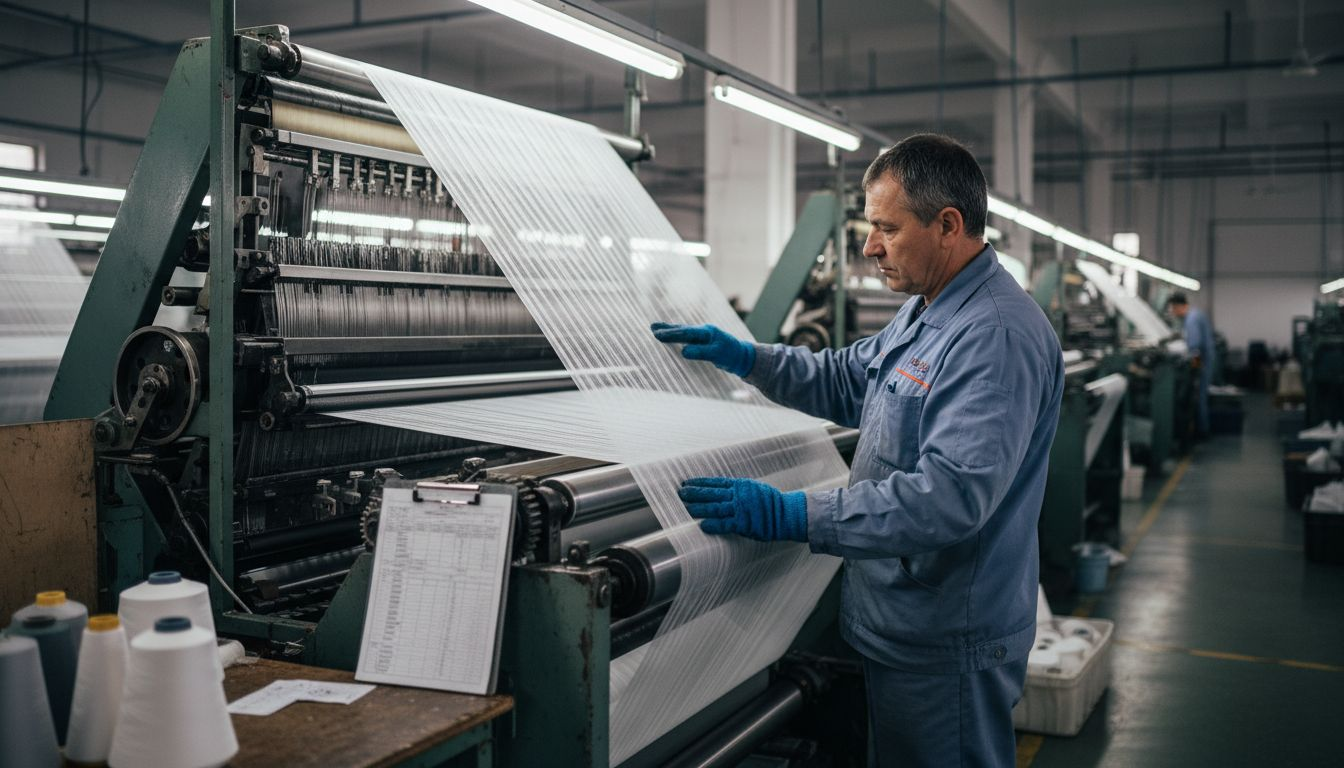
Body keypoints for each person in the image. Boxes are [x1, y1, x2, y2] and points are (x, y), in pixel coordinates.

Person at [653, 134, 1064, 768]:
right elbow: (853, 379)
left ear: (948, 225)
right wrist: (748, 357)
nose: (870, 247)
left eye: (885, 229)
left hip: (946, 634)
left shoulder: (995, 335)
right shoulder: (931, 307)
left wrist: (794, 515)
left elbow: (950, 499)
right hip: (905, 619)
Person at [1167, 293, 1214, 436]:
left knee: (1198, 397)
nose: (1173, 313)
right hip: (1206, 360)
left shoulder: (1191, 319)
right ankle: (1201, 428)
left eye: (1173, 309)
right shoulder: (1195, 315)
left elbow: (1194, 346)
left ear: (1179, 306)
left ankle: (1202, 431)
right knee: (1200, 396)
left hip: (1202, 363)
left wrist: (1194, 369)